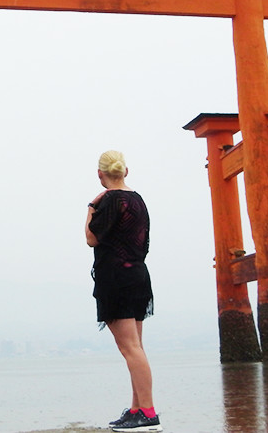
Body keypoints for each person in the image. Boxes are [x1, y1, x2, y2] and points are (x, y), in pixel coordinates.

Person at [85, 150, 162, 432]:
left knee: (129, 348)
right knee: (136, 347)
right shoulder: (137, 200)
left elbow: (91, 239)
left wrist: (91, 207)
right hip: (138, 274)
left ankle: (149, 414)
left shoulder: (110, 201)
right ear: (125, 171)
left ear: (100, 174)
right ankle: (137, 408)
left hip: (116, 277)